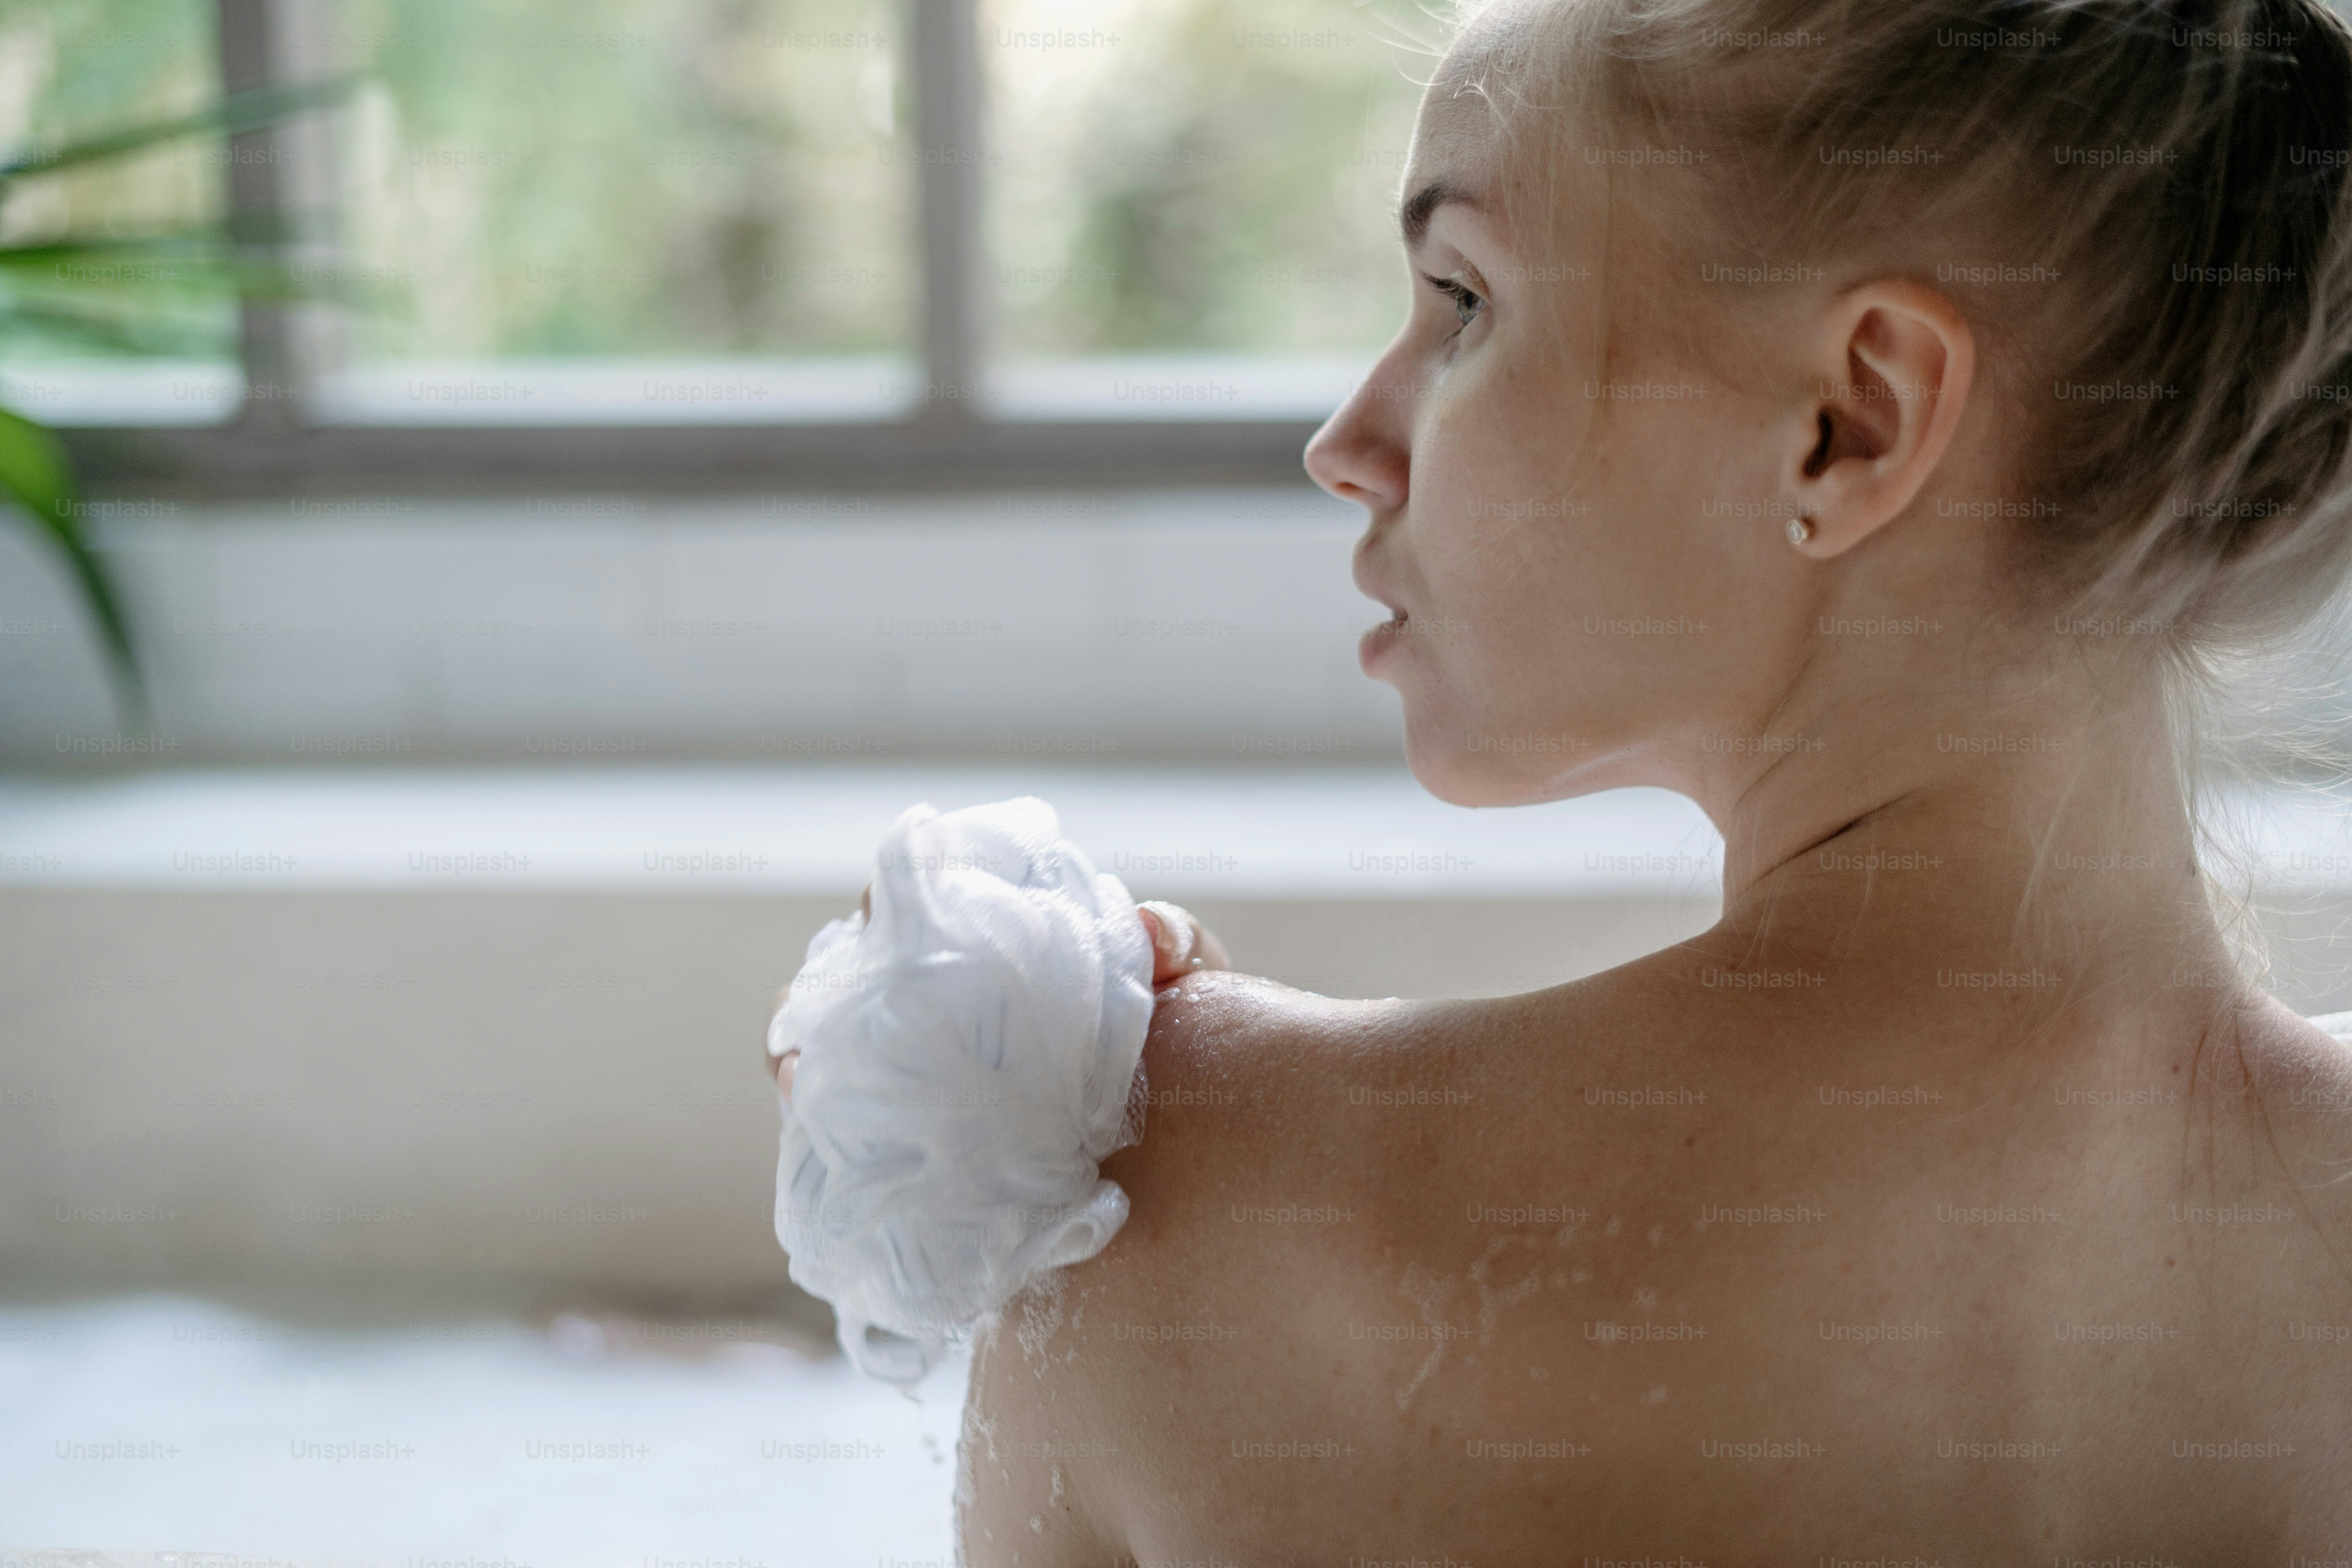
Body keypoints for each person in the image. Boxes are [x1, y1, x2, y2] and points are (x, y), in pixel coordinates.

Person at [791, 0, 2352, 1556]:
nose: (1350, 439)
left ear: (1853, 420)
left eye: (1462, 298)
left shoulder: (1176, 1213)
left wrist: (1123, 1111)